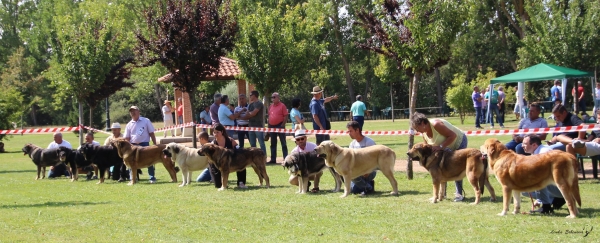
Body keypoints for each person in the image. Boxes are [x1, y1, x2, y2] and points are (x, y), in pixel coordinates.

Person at [410, 112, 466, 202]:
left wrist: (440, 147)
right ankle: (442, 194)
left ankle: (459, 194)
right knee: (442, 168)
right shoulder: (423, 133)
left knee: (455, 167)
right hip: (445, 147)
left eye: (417, 128)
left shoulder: (436, 124)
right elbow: (427, 147)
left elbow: (453, 135)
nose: (417, 131)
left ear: (423, 123)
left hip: (458, 142)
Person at [521, 135, 567, 214]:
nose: (522, 146)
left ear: (534, 145)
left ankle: (546, 207)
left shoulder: (544, 152)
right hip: (553, 184)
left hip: (562, 187)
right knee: (524, 190)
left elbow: (541, 174)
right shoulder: (535, 153)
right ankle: (555, 200)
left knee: (539, 179)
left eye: (525, 143)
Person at [123, 106, 159, 183]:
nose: (132, 112)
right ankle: (133, 178)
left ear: (139, 112)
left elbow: (151, 133)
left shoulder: (146, 121)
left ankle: (152, 178)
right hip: (133, 146)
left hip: (145, 144)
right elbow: (127, 138)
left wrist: (155, 144)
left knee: (150, 161)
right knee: (131, 162)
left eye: (134, 111)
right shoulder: (129, 124)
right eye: (131, 111)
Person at [207, 123, 247, 189]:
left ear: (222, 132)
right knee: (218, 185)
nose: (215, 134)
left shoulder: (230, 140)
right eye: (214, 132)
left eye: (217, 132)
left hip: (232, 161)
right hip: (217, 164)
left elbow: (239, 150)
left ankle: (241, 182)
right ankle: (223, 183)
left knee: (241, 161)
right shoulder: (212, 144)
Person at [347, 121, 377, 196]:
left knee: (353, 178)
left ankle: (367, 186)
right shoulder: (352, 144)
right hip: (357, 171)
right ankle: (368, 186)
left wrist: (368, 171)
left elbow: (374, 160)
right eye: (348, 131)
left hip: (370, 170)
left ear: (357, 130)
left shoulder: (369, 142)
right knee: (354, 190)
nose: (349, 133)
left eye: (351, 131)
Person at [267, 92, 288, 164]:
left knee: (283, 143)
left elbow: (285, 116)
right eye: (272, 97)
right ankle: (273, 159)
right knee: (273, 143)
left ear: (278, 98)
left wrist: (282, 125)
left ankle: (286, 158)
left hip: (280, 125)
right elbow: (269, 117)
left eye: (274, 97)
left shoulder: (282, 106)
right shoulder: (270, 106)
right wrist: (269, 128)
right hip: (272, 126)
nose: (272, 98)